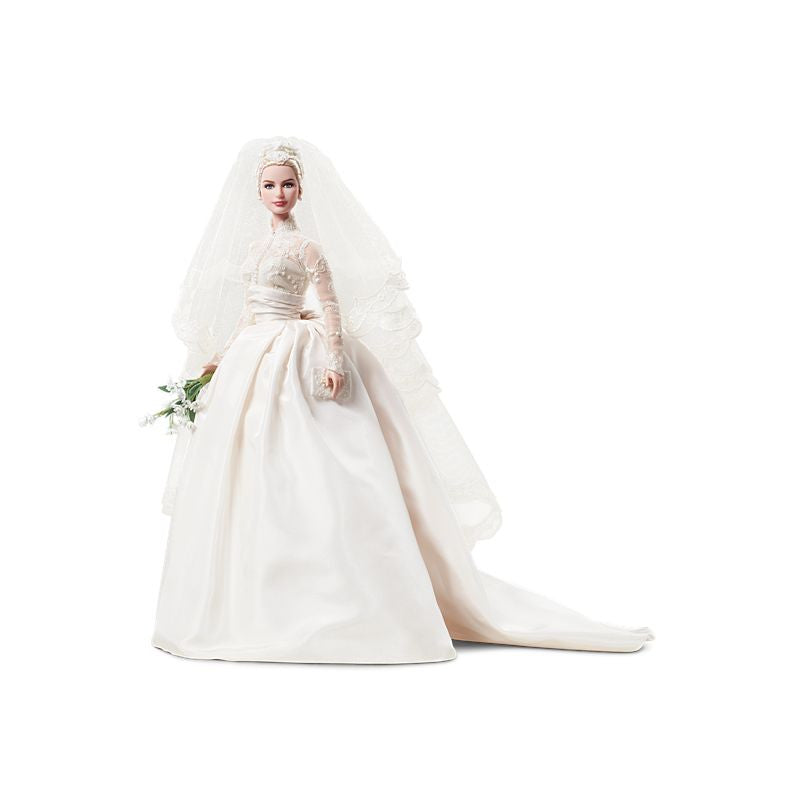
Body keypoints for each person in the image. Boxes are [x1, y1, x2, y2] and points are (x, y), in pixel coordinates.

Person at [151, 137, 655, 663]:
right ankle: (252, 597)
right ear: (257, 192)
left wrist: (333, 358)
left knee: (323, 463)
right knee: (250, 466)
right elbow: (250, 312)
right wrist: (219, 360)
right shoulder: (254, 249)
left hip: (297, 354)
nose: (279, 193)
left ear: (301, 189)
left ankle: (355, 595)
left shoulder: (306, 248)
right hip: (256, 352)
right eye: (270, 185)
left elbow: (330, 306)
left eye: (288, 184)